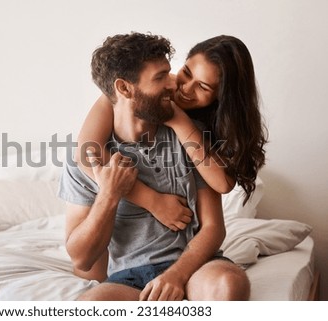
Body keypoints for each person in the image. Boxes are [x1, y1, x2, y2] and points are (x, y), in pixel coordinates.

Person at [58, 32, 250, 300]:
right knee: (89, 303)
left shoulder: (193, 138)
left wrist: (175, 275)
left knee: (228, 283)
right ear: (124, 88)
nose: (175, 85)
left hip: (195, 269)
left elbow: (216, 216)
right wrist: (110, 194)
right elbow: (81, 258)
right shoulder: (91, 155)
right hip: (129, 277)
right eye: (161, 77)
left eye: (170, 73)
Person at [75, 35, 268, 231]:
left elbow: (223, 183)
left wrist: (179, 121)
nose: (184, 88)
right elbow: (85, 152)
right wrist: (153, 201)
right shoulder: (133, 93)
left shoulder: (204, 123)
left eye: (203, 86)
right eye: (186, 72)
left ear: (221, 97)